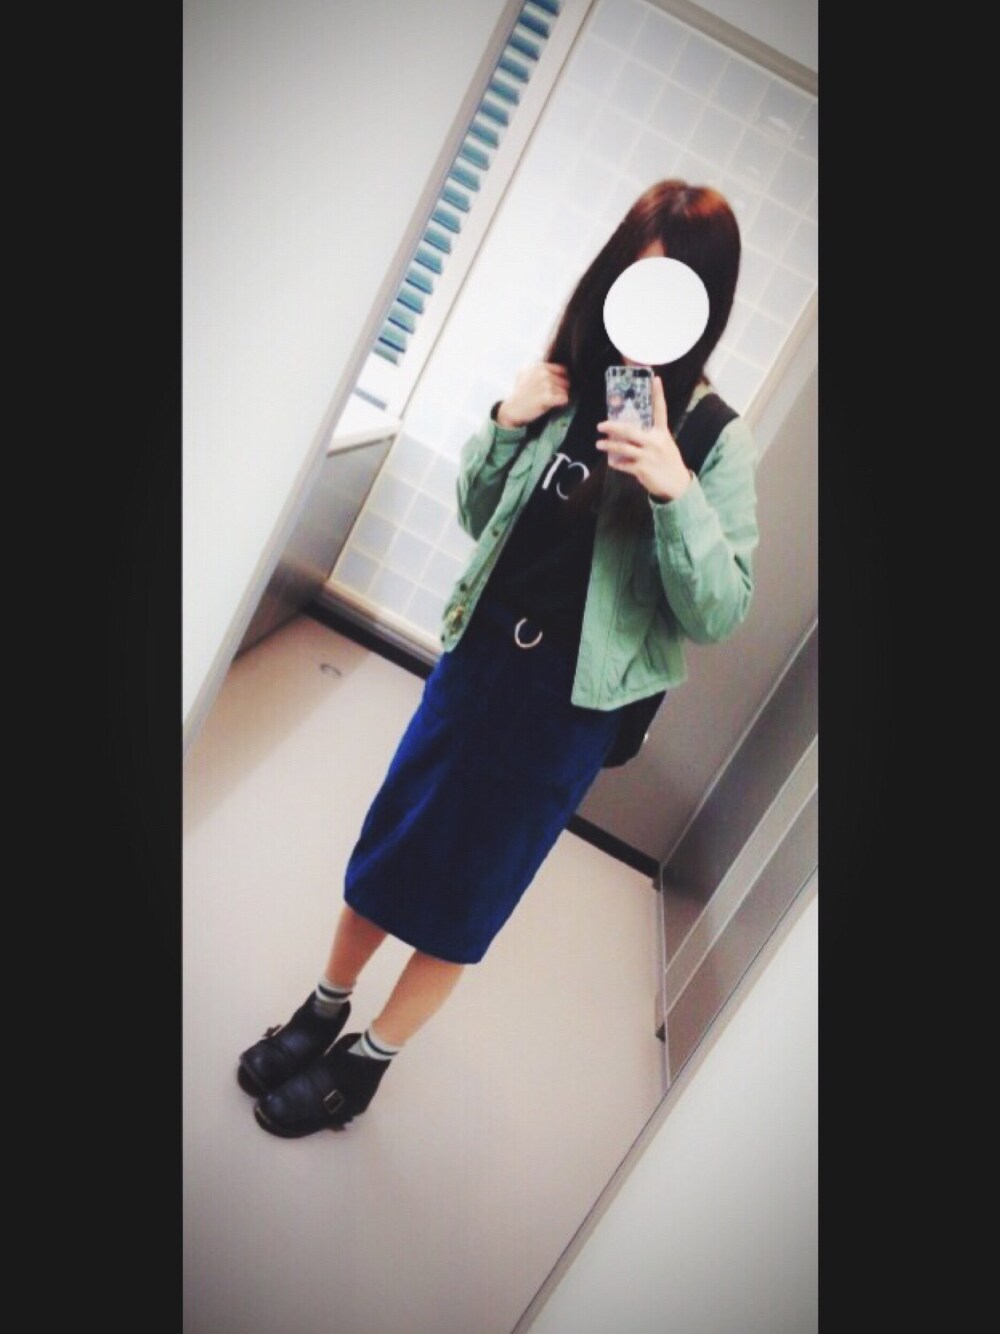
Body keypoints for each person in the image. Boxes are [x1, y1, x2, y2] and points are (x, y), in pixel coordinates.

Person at [237, 179, 760, 1138]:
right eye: (633, 280)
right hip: (478, 663)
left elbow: (720, 609)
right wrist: (505, 417)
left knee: (476, 880)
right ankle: (325, 1003)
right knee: (396, 835)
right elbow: (480, 516)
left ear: (705, 307)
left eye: (672, 293)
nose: (643, 315)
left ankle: (370, 1061)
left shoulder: (712, 439)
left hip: (570, 709)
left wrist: (676, 492)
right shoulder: (564, 381)